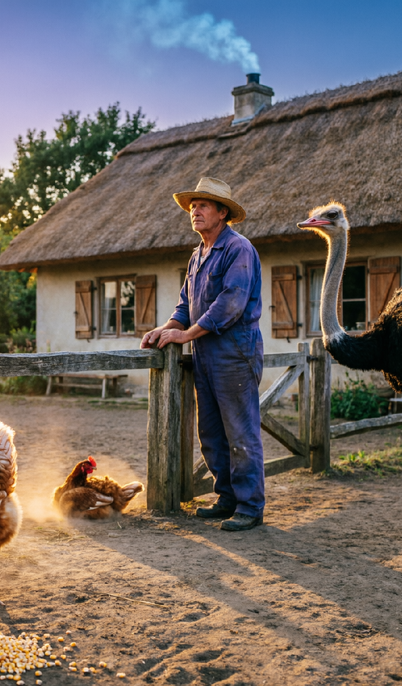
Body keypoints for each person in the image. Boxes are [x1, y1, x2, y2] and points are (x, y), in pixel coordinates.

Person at [141, 177, 265, 531]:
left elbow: (230, 305)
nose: (195, 210)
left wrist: (186, 335)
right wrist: (164, 329)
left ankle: (250, 506)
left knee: (240, 432)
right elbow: (185, 305)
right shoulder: (198, 254)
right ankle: (226, 498)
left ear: (223, 212)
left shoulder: (239, 249)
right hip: (205, 354)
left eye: (204, 205)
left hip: (234, 354)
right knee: (211, 432)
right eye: (193, 205)